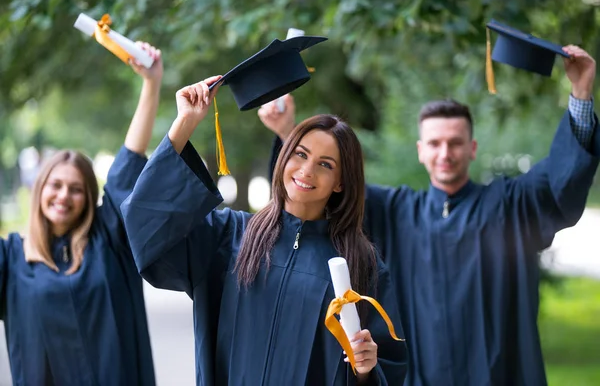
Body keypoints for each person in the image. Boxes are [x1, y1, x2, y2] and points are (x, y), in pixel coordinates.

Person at [259, 45, 599, 385]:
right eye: (435, 143)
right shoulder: (394, 213)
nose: (445, 153)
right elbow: (327, 184)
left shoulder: (509, 206)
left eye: (455, 143)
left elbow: (560, 181)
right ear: (421, 150)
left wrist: (581, 92)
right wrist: (288, 132)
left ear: (472, 148)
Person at [120, 76, 408, 385]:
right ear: (284, 157)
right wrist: (185, 123)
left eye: (326, 165)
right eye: (300, 154)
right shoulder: (228, 236)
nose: (307, 170)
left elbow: (386, 368)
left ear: (340, 182)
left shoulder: (360, 264)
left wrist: (366, 369)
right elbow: (145, 222)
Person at [0, 42, 163, 385]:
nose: (63, 196)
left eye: (76, 189)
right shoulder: (11, 259)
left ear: (89, 197)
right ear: (39, 190)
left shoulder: (110, 239)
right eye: (55, 185)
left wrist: (151, 83)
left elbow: (129, 164)